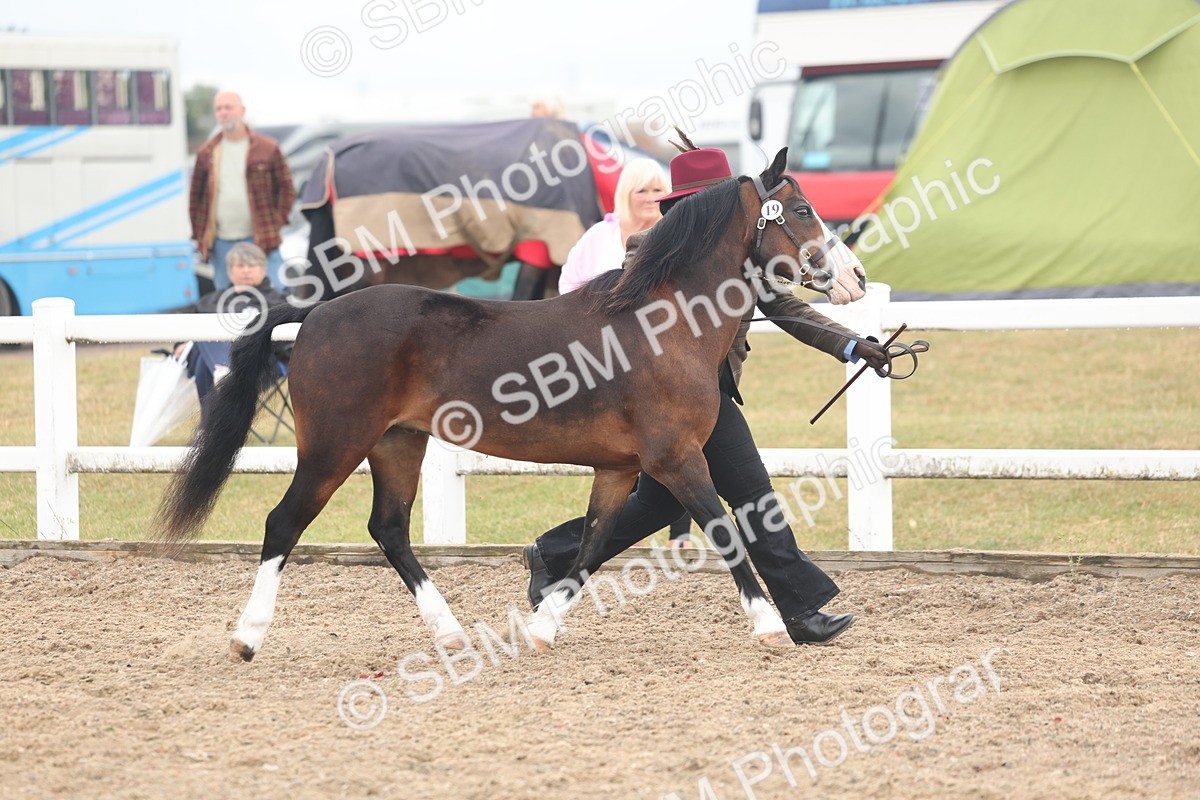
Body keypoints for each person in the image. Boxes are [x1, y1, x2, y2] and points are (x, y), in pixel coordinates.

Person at [523, 144, 888, 646]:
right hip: (664, 398)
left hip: (709, 395)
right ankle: (800, 610)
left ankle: (553, 552)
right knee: (754, 497)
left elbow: (788, 309)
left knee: (656, 507)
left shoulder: (745, 258)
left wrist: (852, 346)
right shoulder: (646, 248)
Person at [557, 158, 694, 547]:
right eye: (642, 191)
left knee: (676, 435)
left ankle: (679, 532)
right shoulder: (600, 236)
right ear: (625, 196)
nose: (651, 198)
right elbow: (569, 283)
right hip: (603, 352)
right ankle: (595, 535)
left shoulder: (673, 234)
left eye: (657, 190)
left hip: (659, 353)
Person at [188, 90, 295, 294]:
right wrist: (200, 236)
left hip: (261, 237)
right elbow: (196, 199)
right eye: (219, 109)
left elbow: (287, 188)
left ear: (242, 111)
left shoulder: (267, 147)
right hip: (220, 240)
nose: (224, 112)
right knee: (226, 297)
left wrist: (275, 221)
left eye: (228, 107)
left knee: (276, 291)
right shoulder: (207, 152)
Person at [176, 243, 289, 428]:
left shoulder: (277, 302)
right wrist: (181, 344)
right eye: (240, 266)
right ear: (229, 271)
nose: (246, 271)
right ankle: (222, 370)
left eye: (251, 266)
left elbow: (285, 344)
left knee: (205, 346)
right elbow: (186, 333)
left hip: (260, 364)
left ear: (263, 269)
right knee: (202, 339)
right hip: (210, 362)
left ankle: (209, 427)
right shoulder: (209, 302)